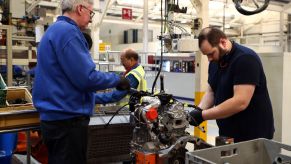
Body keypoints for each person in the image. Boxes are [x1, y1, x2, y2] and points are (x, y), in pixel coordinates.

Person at [32, 0, 130, 163]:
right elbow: (87, 78)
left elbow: (69, 82)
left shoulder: (53, 31)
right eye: (91, 13)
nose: (91, 19)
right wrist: (117, 79)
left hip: (56, 119)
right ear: (79, 8)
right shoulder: (69, 33)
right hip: (67, 122)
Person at [189, 27, 274, 143]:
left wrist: (203, 115)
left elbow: (240, 102)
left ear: (223, 42)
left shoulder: (245, 59)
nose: (209, 59)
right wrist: (198, 110)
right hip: (228, 132)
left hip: (252, 135)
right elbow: (211, 91)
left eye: (211, 53)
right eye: (206, 55)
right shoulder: (216, 62)